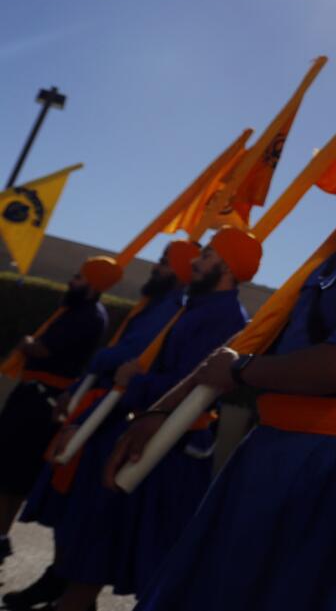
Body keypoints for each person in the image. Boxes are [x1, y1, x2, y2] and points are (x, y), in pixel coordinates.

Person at [112, 119, 336, 611]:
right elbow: (277, 347)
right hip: (274, 451)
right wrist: (165, 410)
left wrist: (240, 372)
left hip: (330, 470)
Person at [47, 229, 258, 611]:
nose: (195, 260)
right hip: (141, 441)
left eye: (207, 255)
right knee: (90, 559)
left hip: (170, 455)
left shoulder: (225, 317)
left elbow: (191, 386)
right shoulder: (193, 307)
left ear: (227, 267)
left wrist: (136, 382)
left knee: (155, 573)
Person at [2, 241, 194, 611]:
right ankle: (60, 580)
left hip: (113, 416)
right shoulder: (152, 305)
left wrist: (104, 362)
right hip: (95, 406)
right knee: (68, 506)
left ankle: (73, 593)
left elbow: (128, 355)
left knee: (87, 515)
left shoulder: (172, 310)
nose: (156, 268)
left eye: (165, 263)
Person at [0, 257, 118, 564]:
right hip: (33, 397)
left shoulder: (87, 316)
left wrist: (27, 343)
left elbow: (43, 350)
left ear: (92, 284)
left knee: (12, 473)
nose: (71, 282)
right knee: (10, 475)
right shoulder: (78, 311)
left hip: (40, 403)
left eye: (78, 278)